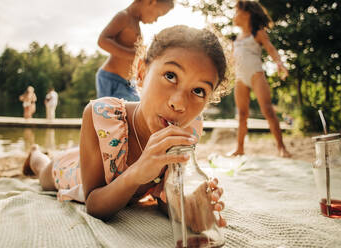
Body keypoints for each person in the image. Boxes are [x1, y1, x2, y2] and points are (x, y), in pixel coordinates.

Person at [23, 25, 228, 232]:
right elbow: (94, 204)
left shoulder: (189, 128)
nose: (179, 103)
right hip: (73, 171)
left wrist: (188, 208)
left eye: (199, 91)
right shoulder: (101, 115)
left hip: (103, 162)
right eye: (170, 76)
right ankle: (34, 154)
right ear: (141, 72)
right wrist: (138, 172)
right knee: (44, 172)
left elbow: (163, 196)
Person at [231, 0, 291, 157]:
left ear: (247, 13)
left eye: (237, 11)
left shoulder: (257, 33)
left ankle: (281, 147)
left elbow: (271, 49)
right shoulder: (237, 38)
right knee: (242, 115)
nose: (234, 15)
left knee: (268, 111)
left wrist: (279, 63)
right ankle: (240, 148)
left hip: (256, 75)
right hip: (240, 78)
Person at [96, 0, 174, 101]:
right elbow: (102, 41)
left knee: (136, 107)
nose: (155, 20)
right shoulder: (124, 17)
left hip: (128, 82)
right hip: (112, 79)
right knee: (108, 112)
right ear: (150, 2)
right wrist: (133, 55)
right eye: (158, 14)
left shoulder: (135, 23)